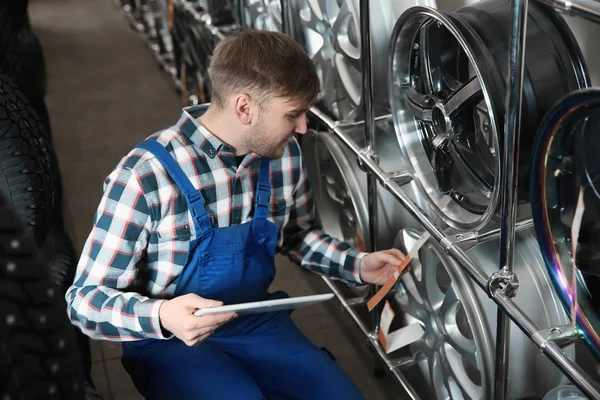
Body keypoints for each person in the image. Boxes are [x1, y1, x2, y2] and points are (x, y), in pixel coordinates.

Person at [65, 29, 406, 400]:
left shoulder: (284, 154)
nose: (304, 127)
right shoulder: (145, 176)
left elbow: (295, 235)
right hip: (171, 340)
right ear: (244, 107)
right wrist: (162, 316)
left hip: (253, 322)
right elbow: (83, 301)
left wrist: (357, 265)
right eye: (293, 114)